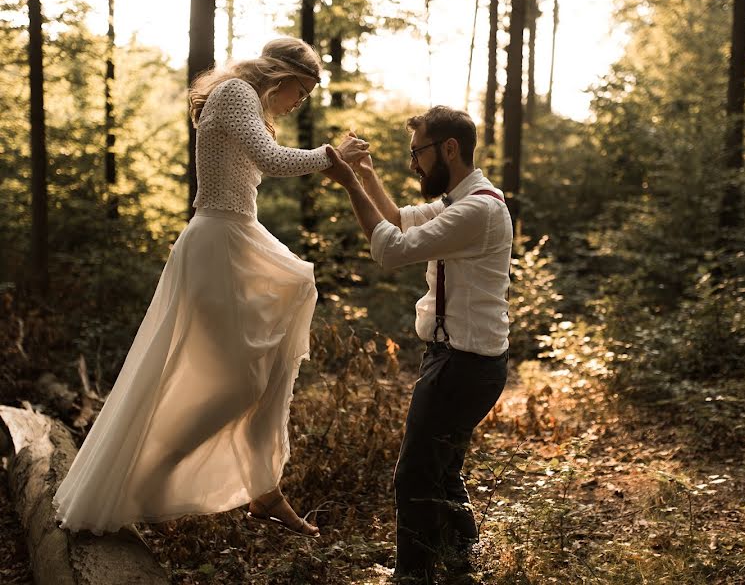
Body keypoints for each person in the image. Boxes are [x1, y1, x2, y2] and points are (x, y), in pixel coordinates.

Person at [52, 37, 369, 538]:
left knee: (264, 370)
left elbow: (261, 162)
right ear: (281, 74)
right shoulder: (236, 93)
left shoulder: (243, 100)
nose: (298, 103)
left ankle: (265, 493)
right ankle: (151, 471)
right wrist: (334, 155)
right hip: (217, 243)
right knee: (240, 381)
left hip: (237, 237)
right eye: (301, 91)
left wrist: (332, 163)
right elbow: (271, 159)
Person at [322, 106, 513, 583]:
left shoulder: (477, 209)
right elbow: (401, 221)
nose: (414, 166)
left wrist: (348, 184)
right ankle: (461, 562)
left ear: (449, 149)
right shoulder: (464, 201)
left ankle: (413, 575)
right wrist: (364, 176)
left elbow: (390, 249)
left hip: (463, 366)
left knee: (414, 476)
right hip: (464, 362)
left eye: (418, 154)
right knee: (442, 472)